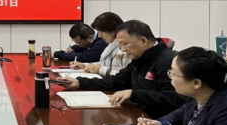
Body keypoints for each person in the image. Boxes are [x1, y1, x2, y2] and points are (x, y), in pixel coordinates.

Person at [57, 20, 186, 118]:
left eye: (125, 44)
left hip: (159, 122)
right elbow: (117, 81)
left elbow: (174, 100)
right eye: (120, 45)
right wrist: (80, 82)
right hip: (139, 116)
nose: (123, 49)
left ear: (143, 41)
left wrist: (134, 94)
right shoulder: (140, 58)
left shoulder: (167, 61)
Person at [70, 12, 130, 76]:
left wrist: (100, 69)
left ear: (113, 32)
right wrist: (85, 65)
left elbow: (126, 76)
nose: (99, 36)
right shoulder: (112, 45)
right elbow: (105, 64)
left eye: (102, 32)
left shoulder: (126, 49)